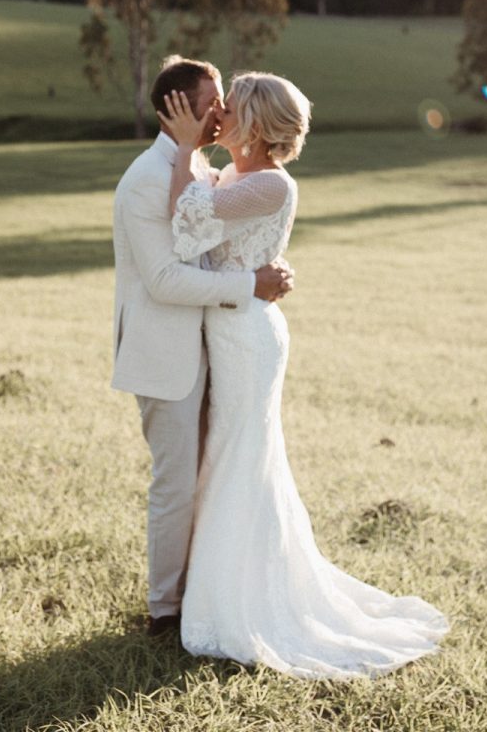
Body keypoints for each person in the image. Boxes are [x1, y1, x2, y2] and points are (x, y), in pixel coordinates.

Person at [156, 71, 449, 679]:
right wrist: (201, 163)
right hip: (232, 327)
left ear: (256, 125)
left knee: (239, 459)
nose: (218, 114)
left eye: (228, 107)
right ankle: (217, 588)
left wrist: (185, 149)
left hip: (248, 339)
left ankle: (239, 603)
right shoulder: (237, 176)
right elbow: (208, 227)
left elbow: (186, 234)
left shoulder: (268, 185)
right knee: (231, 457)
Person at [110, 56, 294, 638]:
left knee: (221, 472)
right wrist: (252, 284)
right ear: (178, 109)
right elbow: (165, 280)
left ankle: (211, 594)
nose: (219, 112)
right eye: (211, 102)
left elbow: (221, 228)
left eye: (225, 102)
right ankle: (165, 611)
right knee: (177, 484)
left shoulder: (199, 170)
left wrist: (260, 273)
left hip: (226, 348)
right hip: (168, 354)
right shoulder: (147, 177)